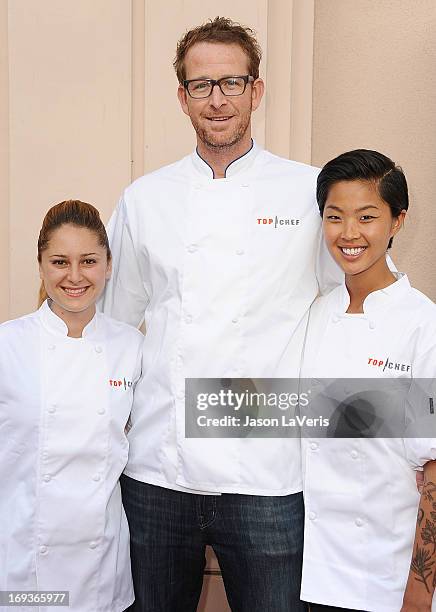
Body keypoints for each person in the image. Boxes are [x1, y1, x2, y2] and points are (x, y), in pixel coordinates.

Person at [101, 16, 340, 612]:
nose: (218, 99)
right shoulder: (144, 199)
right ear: (182, 98)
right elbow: (114, 325)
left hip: (266, 473)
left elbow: (344, 316)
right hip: (159, 469)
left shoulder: (308, 193)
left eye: (232, 83)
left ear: (256, 91)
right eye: (202, 86)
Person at [299, 149, 436, 612]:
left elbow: (435, 470)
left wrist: (418, 594)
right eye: (335, 217)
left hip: (389, 579)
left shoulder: (423, 325)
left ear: (398, 222)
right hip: (316, 574)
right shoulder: (317, 315)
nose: (349, 233)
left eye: (367, 216)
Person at [0, 200, 143, 612]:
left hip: (101, 564)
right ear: (41, 266)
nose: (75, 276)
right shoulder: (9, 345)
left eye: (89, 261)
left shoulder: (131, 347)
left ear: (108, 266)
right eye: (60, 261)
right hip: (24, 559)